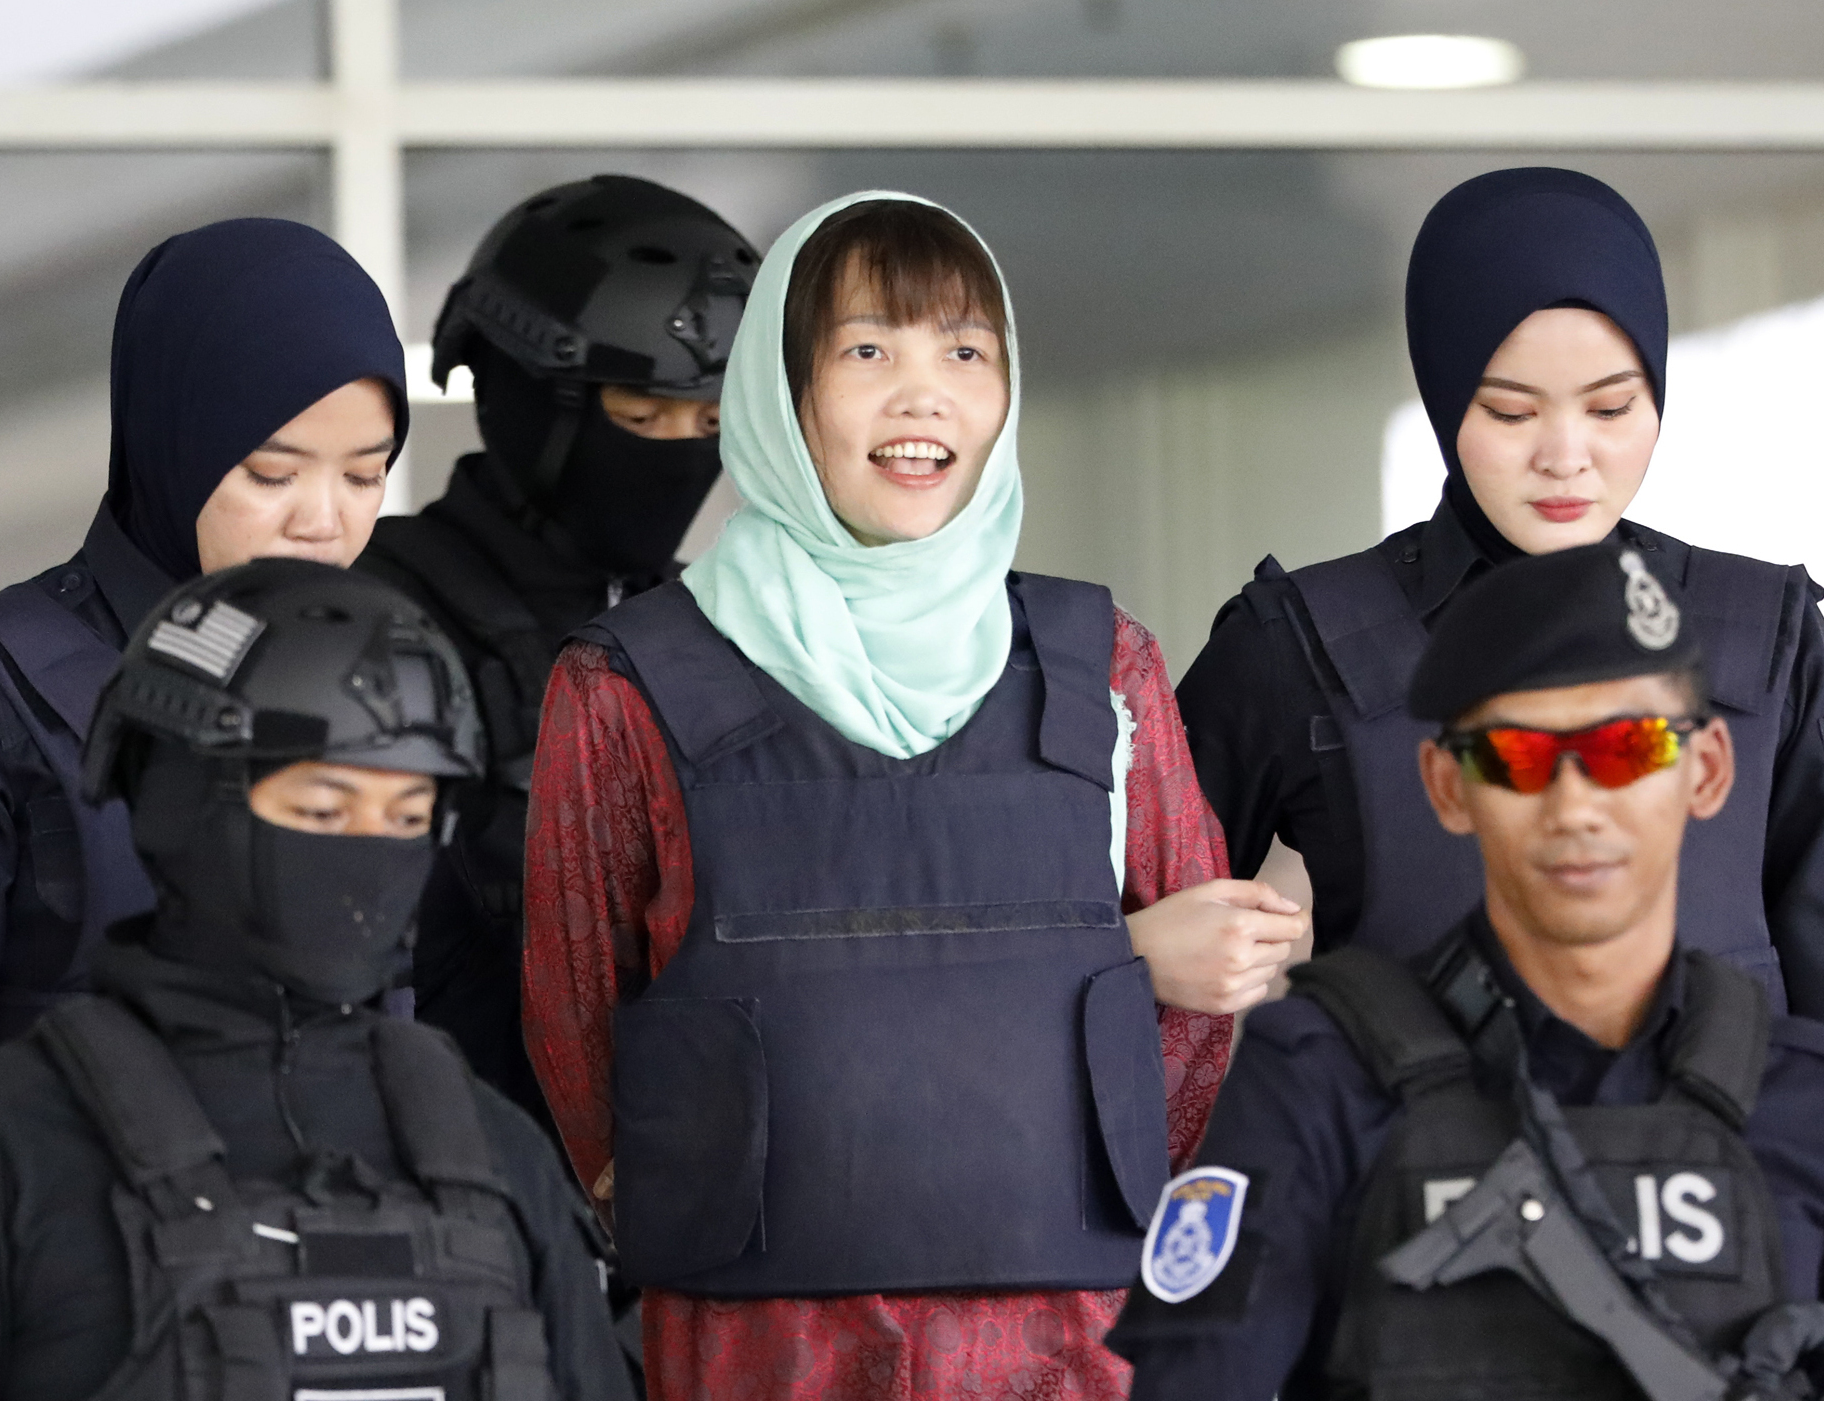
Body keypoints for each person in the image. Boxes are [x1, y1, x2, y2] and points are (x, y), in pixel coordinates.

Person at [522, 190, 1308, 1401]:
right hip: (766, 1352)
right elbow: (576, 1019)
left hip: (1071, 1345)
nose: (920, 392)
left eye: (962, 350)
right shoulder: (626, 684)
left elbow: (1197, 1034)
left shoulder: (1105, 666)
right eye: (866, 350)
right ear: (783, 398)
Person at [1109, 543, 1824, 1401]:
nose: (1575, 804)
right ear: (1447, 785)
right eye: (1519, 756)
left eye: (1627, 747)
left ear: (1704, 771)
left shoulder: (1799, 1103)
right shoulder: (1317, 1083)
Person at [0, 558, 636, 1401]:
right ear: (179, 799)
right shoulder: (3, 1141)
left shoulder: (492, 1148)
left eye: (407, 817)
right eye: (322, 810)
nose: (367, 853)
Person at [1174, 167, 1824, 1012]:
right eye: (1512, 413)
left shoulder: (1765, 638)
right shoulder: (1295, 644)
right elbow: (1117, 935)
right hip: (1402, 1139)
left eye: (1612, 408)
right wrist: (1148, 954)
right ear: (1445, 402)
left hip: (1725, 1142)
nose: (1565, 456)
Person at [357, 175, 759, 1128]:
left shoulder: (733, 629)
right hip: (456, 1192)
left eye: (710, 422)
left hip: (692, 1212)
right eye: (641, 415)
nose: (678, 454)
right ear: (520, 390)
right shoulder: (371, 614)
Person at [0, 218, 407, 1058]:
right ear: (173, 445)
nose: (323, 522)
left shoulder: (384, 688)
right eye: (272, 473)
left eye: (364, 474)